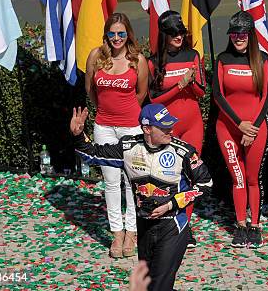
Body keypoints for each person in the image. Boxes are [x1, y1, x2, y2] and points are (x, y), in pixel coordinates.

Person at [71, 103, 213, 291]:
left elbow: (206, 184)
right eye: (164, 127)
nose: (171, 130)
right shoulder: (128, 147)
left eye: (171, 125)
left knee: (159, 286)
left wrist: (171, 203)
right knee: (147, 284)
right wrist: (79, 135)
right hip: (144, 225)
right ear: (147, 128)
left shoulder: (184, 152)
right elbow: (92, 154)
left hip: (173, 225)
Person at [85, 12, 148, 258]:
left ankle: (132, 231)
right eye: (112, 33)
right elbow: (91, 90)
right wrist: (105, 110)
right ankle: (117, 232)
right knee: (110, 182)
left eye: (121, 33)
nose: (116, 38)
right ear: (106, 34)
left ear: (128, 34)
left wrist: (125, 111)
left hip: (131, 127)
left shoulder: (137, 60)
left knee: (131, 181)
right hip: (103, 127)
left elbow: (141, 93)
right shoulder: (96, 57)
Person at [213, 11, 268, 248]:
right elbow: (218, 95)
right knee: (237, 178)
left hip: (256, 129)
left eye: (243, 33)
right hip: (228, 127)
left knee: (251, 178)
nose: (239, 38)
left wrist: (253, 128)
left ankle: (255, 225)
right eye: (234, 33)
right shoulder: (222, 59)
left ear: (251, 35)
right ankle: (240, 225)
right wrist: (239, 124)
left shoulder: (263, 60)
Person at [149, 11, 206, 248]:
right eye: (173, 32)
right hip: (166, 129)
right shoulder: (153, 62)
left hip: (192, 124)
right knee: (167, 176)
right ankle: (169, 222)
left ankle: (186, 226)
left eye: (181, 32)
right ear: (164, 34)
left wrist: (192, 82)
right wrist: (179, 84)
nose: (178, 36)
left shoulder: (193, 55)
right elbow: (153, 100)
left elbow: (202, 93)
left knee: (190, 176)